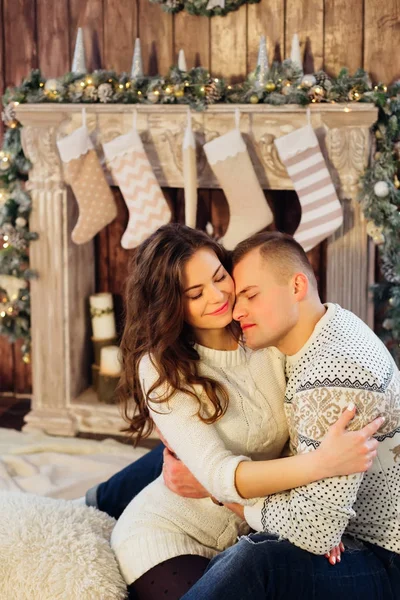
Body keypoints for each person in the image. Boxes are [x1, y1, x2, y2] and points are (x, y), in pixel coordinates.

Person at [96, 223, 381, 600]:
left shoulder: (264, 333)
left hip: (253, 534)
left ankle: (96, 498)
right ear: (171, 305)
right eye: (195, 294)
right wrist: (322, 465)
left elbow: (301, 433)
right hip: (168, 536)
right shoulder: (163, 368)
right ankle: (94, 503)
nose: (218, 297)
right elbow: (218, 476)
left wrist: (315, 523)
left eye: (219, 277)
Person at [178, 231, 400, 600]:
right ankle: (99, 497)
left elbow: (315, 531)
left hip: (385, 557)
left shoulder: (335, 372)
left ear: (297, 285)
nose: (235, 311)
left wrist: (221, 493)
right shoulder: (324, 328)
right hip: (355, 533)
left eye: (250, 295)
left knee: (253, 561)